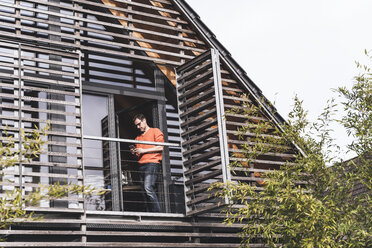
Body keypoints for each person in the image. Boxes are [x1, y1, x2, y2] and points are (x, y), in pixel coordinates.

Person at [130, 114, 163, 212]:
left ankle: (158, 214)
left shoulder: (155, 131)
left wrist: (143, 151)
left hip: (152, 163)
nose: (138, 127)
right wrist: (134, 152)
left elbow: (161, 147)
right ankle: (149, 214)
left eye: (139, 124)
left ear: (144, 120)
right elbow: (138, 154)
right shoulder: (137, 138)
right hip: (141, 165)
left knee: (148, 187)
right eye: (136, 125)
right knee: (144, 191)